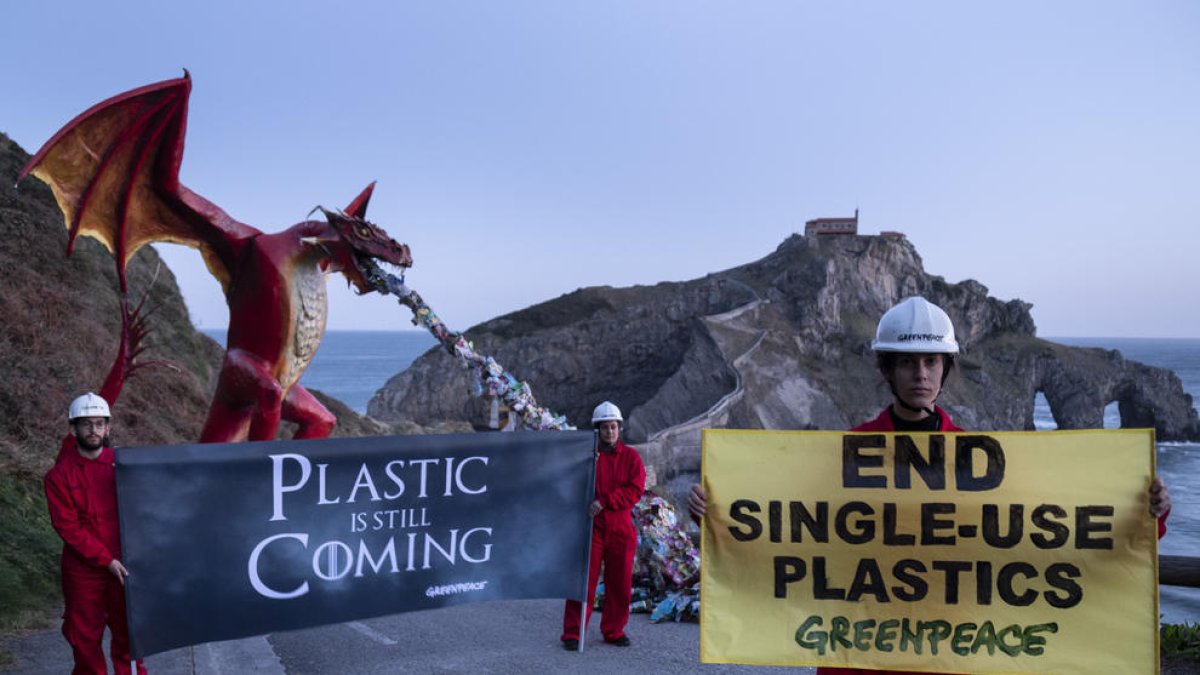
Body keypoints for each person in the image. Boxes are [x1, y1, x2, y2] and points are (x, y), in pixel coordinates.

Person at [688, 296, 1171, 675]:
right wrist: (716, 515)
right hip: (860, 655)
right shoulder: (844, 454)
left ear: (945, 369)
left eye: (932, 362)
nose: (921, 373)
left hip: (951, 652)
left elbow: (1043, 530)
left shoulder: (980, 461)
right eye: (907, 362)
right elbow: (787, 528)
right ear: (888, 370)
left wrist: (1147, 513)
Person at [45, 393, 147, 675]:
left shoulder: (125, 467)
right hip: (83, 570)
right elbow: (67, 526)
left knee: (129, 635)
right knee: (84, 638)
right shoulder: (59, 476)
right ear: (73, 429)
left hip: (126, 565)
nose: (93, 430)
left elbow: (148, 505)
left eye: (99, 423)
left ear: (108, 428)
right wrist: (105, 560)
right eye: (86, 424)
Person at [561, 401, 647, 651]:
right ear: (597, 430)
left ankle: (613, 630)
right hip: (592, 529)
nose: (610, 432)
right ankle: (573, 633)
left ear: (619, 428)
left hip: (621, 529)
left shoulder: (631, 458)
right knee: (583, 581)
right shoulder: (587, 459)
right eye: (605, 428)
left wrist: (606, 501)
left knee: (619, 583)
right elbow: (572, 486)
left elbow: (635, 489)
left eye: (613, 427)